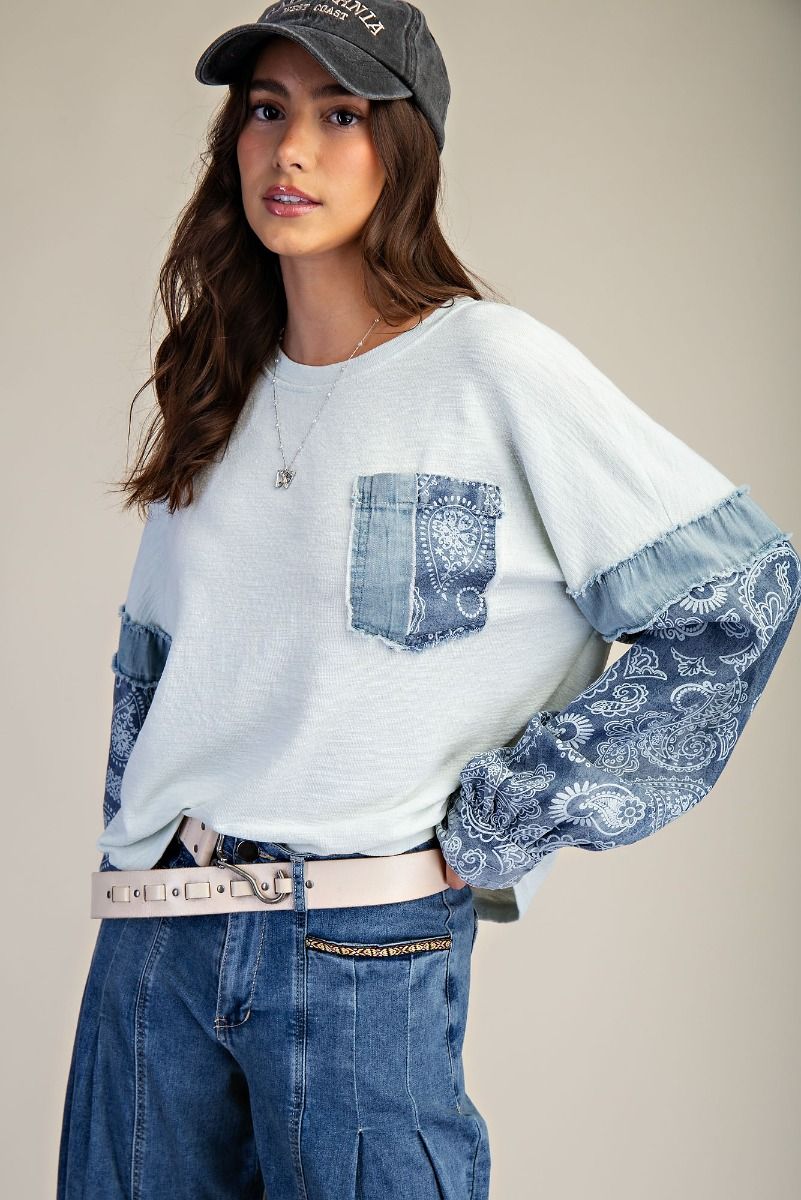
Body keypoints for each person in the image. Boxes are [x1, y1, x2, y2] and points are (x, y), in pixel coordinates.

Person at [57, 3, 800, 1198]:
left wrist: (512, 815)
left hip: (360, 951)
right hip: (157, 952)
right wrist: (128, 863)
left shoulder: (489, 367)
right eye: (267, 110)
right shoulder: (217, 382)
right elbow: (150, 670)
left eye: (342, 115)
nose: (292, 149)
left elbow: (740, 593)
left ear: (404, 150)